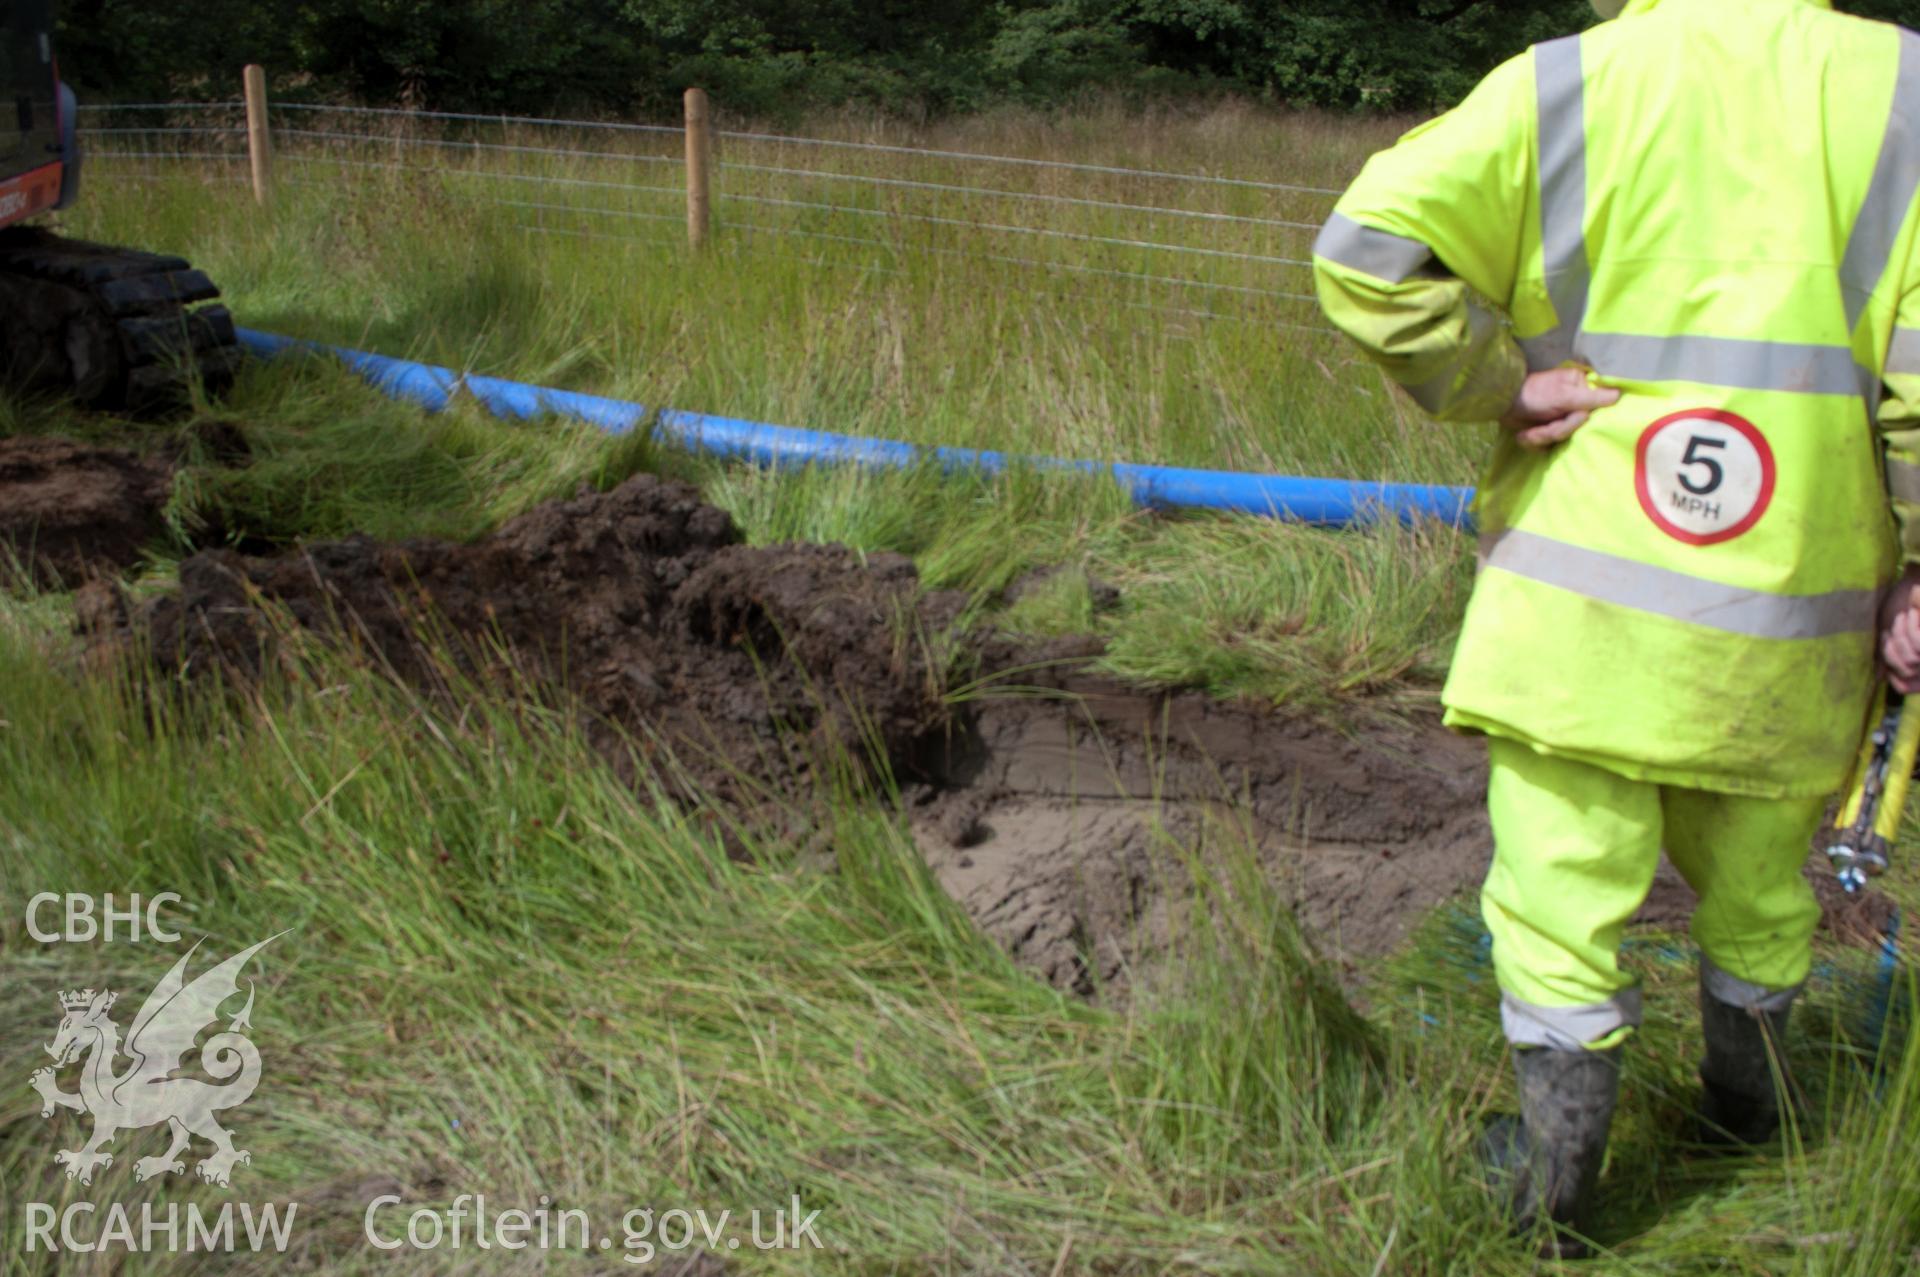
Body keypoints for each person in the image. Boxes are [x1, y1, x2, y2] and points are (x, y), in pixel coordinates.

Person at [1313, 0, 1920, 1256]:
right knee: (1761, 891)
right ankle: (1754, 1126)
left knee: (1557, 899)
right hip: (1790, 624)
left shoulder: (1567, 82)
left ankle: (1551, 1187)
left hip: (1581, 620)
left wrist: (1495, 383)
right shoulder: (1903, 93)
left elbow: (1368, 250)